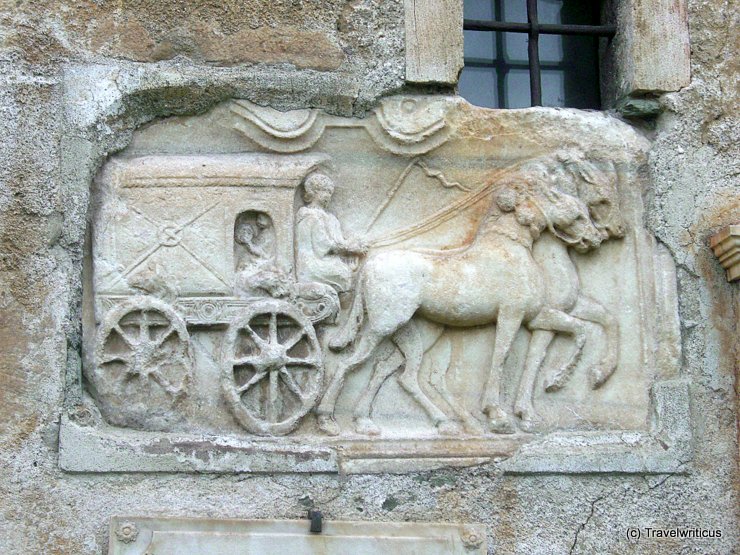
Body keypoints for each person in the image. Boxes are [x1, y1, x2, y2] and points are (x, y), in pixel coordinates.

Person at [295, 173, 366, 293]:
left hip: (326, 259)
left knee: (346, 270)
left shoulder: (330, 218)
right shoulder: (308, 215)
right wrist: (349, 247)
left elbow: (338, 241)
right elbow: (323, 245)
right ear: (312, 192)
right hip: (312, 264)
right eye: (324, 191)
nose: (327, 195)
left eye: (329, 192)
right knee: (343, 273)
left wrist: (354, 243)